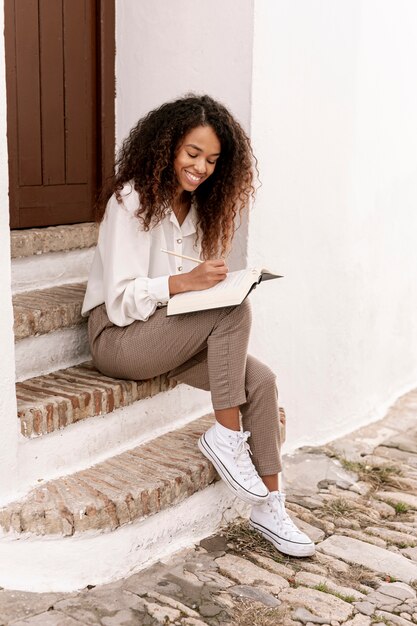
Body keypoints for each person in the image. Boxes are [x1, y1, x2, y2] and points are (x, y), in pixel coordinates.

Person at [82, 94, 314, 558]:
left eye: (212, 160)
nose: (201, 167)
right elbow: (123, 302)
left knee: (262, 381)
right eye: (192, 153)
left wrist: (212, 285)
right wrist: (184, 283)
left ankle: (271, 504)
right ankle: (226, 438)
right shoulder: (130, 202)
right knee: (233, 310)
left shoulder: (200, 210)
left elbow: (193, 301)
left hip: (169, 336)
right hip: (118, 339)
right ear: (166, 147)